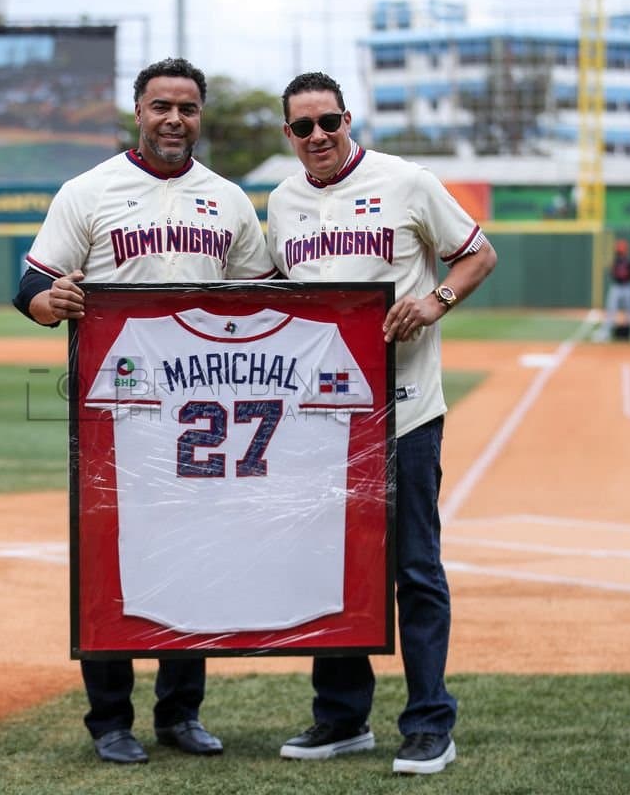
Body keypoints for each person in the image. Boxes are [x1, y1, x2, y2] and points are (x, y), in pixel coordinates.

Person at [11, 57, 276, 765]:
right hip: (113, 407)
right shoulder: (89, 190)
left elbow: (260, 298)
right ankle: (110, 721)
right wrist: (50, 304)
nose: (174, 119)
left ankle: (180, 714)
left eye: (187, 108)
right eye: (162, 106)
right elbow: (31, 285)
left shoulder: (228, 200)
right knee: (109, 560)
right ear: (138, 111)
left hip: (201, 412)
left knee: (198, 559)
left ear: (199, 117)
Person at [265, 71, 497, 776]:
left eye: (328, 121)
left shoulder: (406, 182)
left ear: (347, 118)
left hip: (404, 413)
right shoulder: (281, 201)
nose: (318, 136)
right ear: (289, 136)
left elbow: (479, 253)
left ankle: (430, 723)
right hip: (321, 420)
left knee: (415, 570)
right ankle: (341, 717)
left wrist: (436, 301)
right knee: (329, 571)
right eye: (302, 127)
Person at [593, 238, 630, 342]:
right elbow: (612, 273)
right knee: (611, 310)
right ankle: (606, 332)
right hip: (616, 287)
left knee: (629, 311)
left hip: (627, 287)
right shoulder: (615, 261)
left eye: (621, 249)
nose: (619, 251)